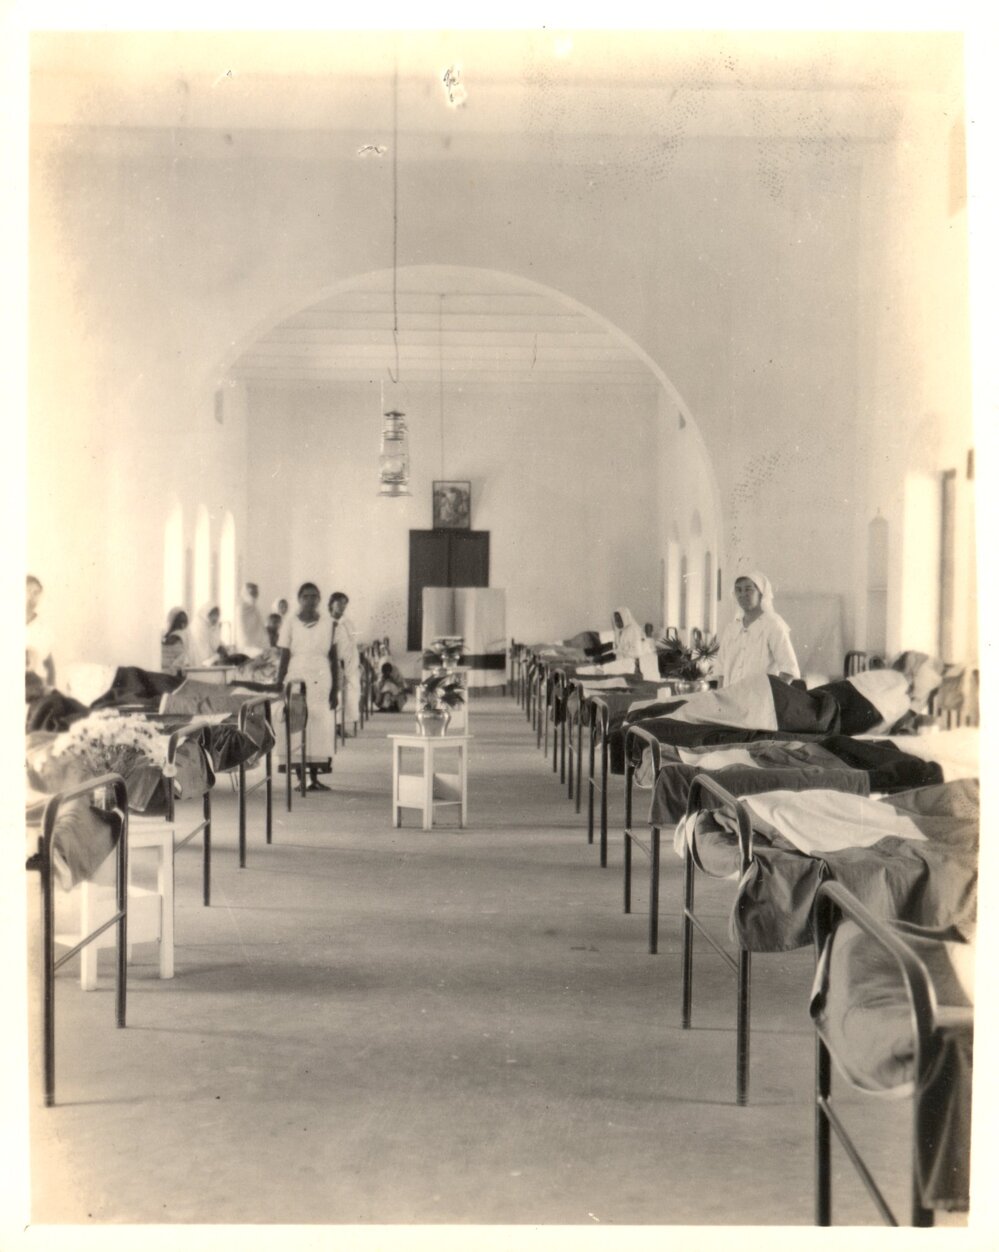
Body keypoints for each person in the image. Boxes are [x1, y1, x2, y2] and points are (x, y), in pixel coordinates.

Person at [276, 582, 336, 790]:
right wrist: (278, 682)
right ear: (299, 599)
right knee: (297, 723)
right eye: (306, 596)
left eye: (314, 596)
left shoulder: (329, 623)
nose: (310, 600)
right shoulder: (290, 623)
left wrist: (335, 688)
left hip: (321, 676)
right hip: (296, 674)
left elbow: (333, 657)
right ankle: (301, 778)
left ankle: (314, 777)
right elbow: (284, 655)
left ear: (319, 599)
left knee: (319, 725)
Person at [713, 570, 800, 687]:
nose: (742, 594)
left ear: (761, 593)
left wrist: (770, 696)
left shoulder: (773, 625)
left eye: (748, 589)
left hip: (759, 701)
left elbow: (788, 670)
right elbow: (721, 671)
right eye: (738, 590)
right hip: (730, 699)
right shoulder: (731, 628)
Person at [329, 591, 360, 734]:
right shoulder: (327, 622)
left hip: (350, 662)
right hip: (336, 663)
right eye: (339, 602)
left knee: (351, 697)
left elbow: (352, 642)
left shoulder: (347, 622)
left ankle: (343, 725)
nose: (342, 606)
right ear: (331, 603)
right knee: (339, 696)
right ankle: (336, 727)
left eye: (344, 603)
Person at [26, 575, 56, 687]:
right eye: (28, 591)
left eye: (36, 593)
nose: (31, 597)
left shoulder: (43, 628)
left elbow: (49, 664)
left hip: (38, 688)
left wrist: (52, 688)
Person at [161, 606, 196, 675]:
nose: (183, 624)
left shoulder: (179, 635)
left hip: (172, 673)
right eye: (181, 621)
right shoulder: (187, 635)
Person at [235, 582, 268, 654]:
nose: (255, 595)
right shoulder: (241, 609)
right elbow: (243, 633)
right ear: (245, 593)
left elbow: (261, 629)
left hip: (258, 645)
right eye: (252, 593)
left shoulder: (255, 609)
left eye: (256, 593)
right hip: (246, 647)